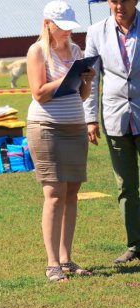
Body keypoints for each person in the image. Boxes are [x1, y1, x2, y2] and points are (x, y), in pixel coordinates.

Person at [27, 1, 94, 281]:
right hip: (47, 129)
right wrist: (68, 76)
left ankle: (66, 259)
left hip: (75, 128)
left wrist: (86, 79)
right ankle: (52, 263)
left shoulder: (77, 51)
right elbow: (39, 93)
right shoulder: (37, 51)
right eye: (62, 27)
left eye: (70, 28)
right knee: (53, 196)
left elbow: (80, 96)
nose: (67, 33)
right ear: (47, 24)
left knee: (71, 194)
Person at [85, 0, 140, 264]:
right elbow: (92, 78)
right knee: (125, 186)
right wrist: (90, 119)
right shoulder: (96, 32)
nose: (119, 5)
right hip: (116, 119)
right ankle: (135, 244)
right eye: (114, 0)